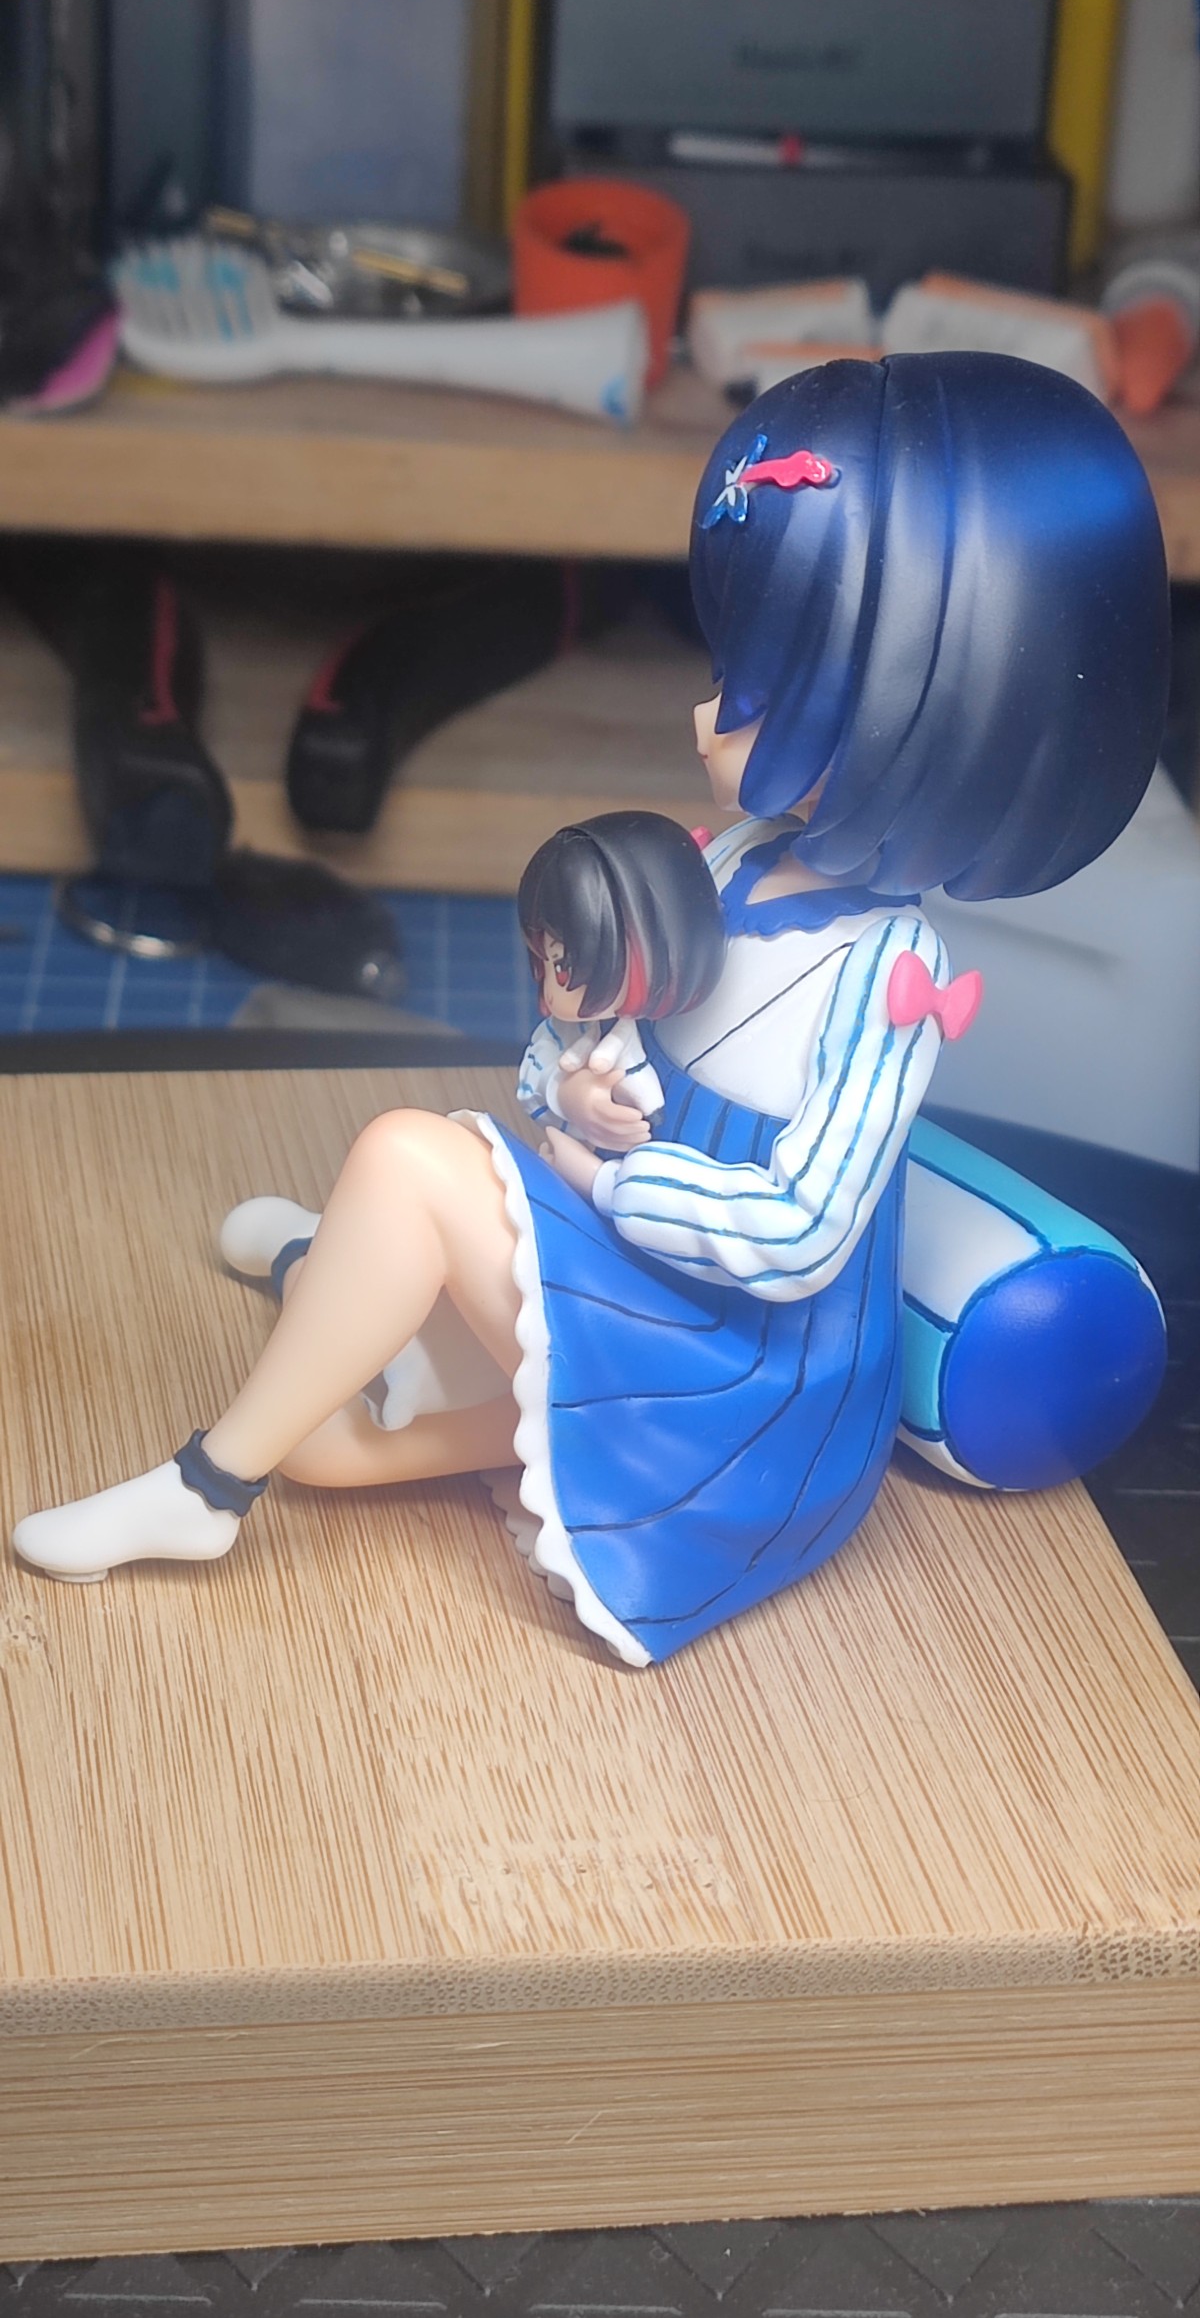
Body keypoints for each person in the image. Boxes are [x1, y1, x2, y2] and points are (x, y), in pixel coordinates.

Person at [12, 354, 1171, 1666]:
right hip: (634, 1273)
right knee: (330, 1449)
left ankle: (207, 1488)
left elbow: (801, 1231)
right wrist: (566, 1082)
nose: (705, 713)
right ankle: (333, 1276)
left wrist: (609, 1179)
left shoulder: (886, 976)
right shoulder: (727, 859)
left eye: (759, 696)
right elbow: (592, 1018)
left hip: (743, 1378)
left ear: (915, 730)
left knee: (408, 1158)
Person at [514, 809, 725, 1178]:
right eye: (543, 963)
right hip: (573, 1170)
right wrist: (566, 1095)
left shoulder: (696, 1039)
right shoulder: (575, 1030)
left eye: (561, 966)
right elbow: (532, 1073)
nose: (550, 989)